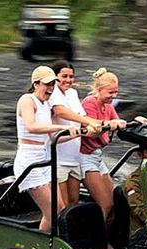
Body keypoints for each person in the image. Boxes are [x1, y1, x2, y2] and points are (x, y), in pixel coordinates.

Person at [80, 67, 147, 249]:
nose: (113, 96)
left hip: (97, 157)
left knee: (116, 199)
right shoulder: (89, 103)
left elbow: (119, 126)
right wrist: (109, 124)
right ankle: (93, 243)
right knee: (105, 203)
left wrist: (135, 121)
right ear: (99, 90)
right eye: (110, 92)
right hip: (84, 156)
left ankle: (106, 239)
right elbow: (92, 127)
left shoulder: (108, 106)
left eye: (116, 92)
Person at [15, 66, 80, 232]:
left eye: (52, 84)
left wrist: (77, 134)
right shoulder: (27, 100)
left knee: (59, 208)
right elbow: (31, 126)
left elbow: (53, 139)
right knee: (53, 212)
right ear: (36, 84)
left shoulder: (46, 105)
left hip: (45, 160)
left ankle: (46, 246)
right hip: (29, 162)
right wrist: (59, 126)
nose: (50, 88)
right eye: (47, 84)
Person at [49, 60, 102, 207]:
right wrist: (88, 125)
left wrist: (100, 124)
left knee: (74, 201)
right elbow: (60, 111)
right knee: (62, 206)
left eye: (71, 77)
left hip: (73, 156)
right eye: (64, 76)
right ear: (55, 77)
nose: (68, 80)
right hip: (58, 157)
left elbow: (83, 116)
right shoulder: (52, 92)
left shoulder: (72, 93)